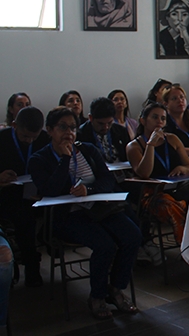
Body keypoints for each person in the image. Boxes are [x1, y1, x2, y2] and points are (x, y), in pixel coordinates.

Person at [29, 107, 140, 319]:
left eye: (72, 127)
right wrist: (64, 159)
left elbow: (107, 180)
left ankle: (115, 289)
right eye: (62, 127)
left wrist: (88, 190)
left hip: (99, 209)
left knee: (133, 235)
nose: (69, 133)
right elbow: (49, 190)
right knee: (105, 245)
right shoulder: (39, 159)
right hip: (68, 216)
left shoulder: (88, 150)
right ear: (50, 130)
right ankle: (97, 296)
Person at [126, 103, 189, 280]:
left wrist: (182, 168)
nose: (159, 122)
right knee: (173, 206)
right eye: (154, 117)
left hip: (179, 189)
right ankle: (188, 248)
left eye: (163, 118)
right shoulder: (134, 146)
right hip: (153, 194)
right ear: (143, 120)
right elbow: (144, 173)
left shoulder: (173, 139)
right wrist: (150, 146)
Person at [0, 106, 49, 287]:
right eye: (25, 136)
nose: (29, 141)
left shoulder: (44, 139)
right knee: (23, 216)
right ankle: (31, 265)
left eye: (33, 137)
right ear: (14, 126)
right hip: (8, 194)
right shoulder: (2, 139)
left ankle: (47, 243)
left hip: (37, 192)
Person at [77, 97, 131, 164]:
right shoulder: (80, 134)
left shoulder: (121, 131)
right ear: (90, 118)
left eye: (109, 123)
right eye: (101, 123)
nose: (106, 127)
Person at [162, 84, 189, 157]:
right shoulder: (165, 123)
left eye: (182, 97)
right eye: (174, 98)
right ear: (166, 104)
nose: (180, 100)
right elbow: (170, 149)